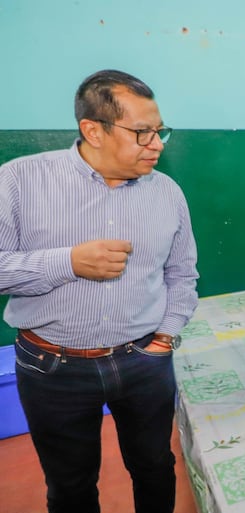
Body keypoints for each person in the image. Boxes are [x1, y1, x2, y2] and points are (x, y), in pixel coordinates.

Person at [0, 69, 199, 513]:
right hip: (52, 367)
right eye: (142, 132)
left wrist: (165, 337)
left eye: (159, 130)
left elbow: (183, 274)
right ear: (93, 130)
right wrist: (67, 262)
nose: (158, 143)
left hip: (145, 362)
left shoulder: (166, 192)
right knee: (70, 486)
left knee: (155, 466)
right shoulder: (18, 181)